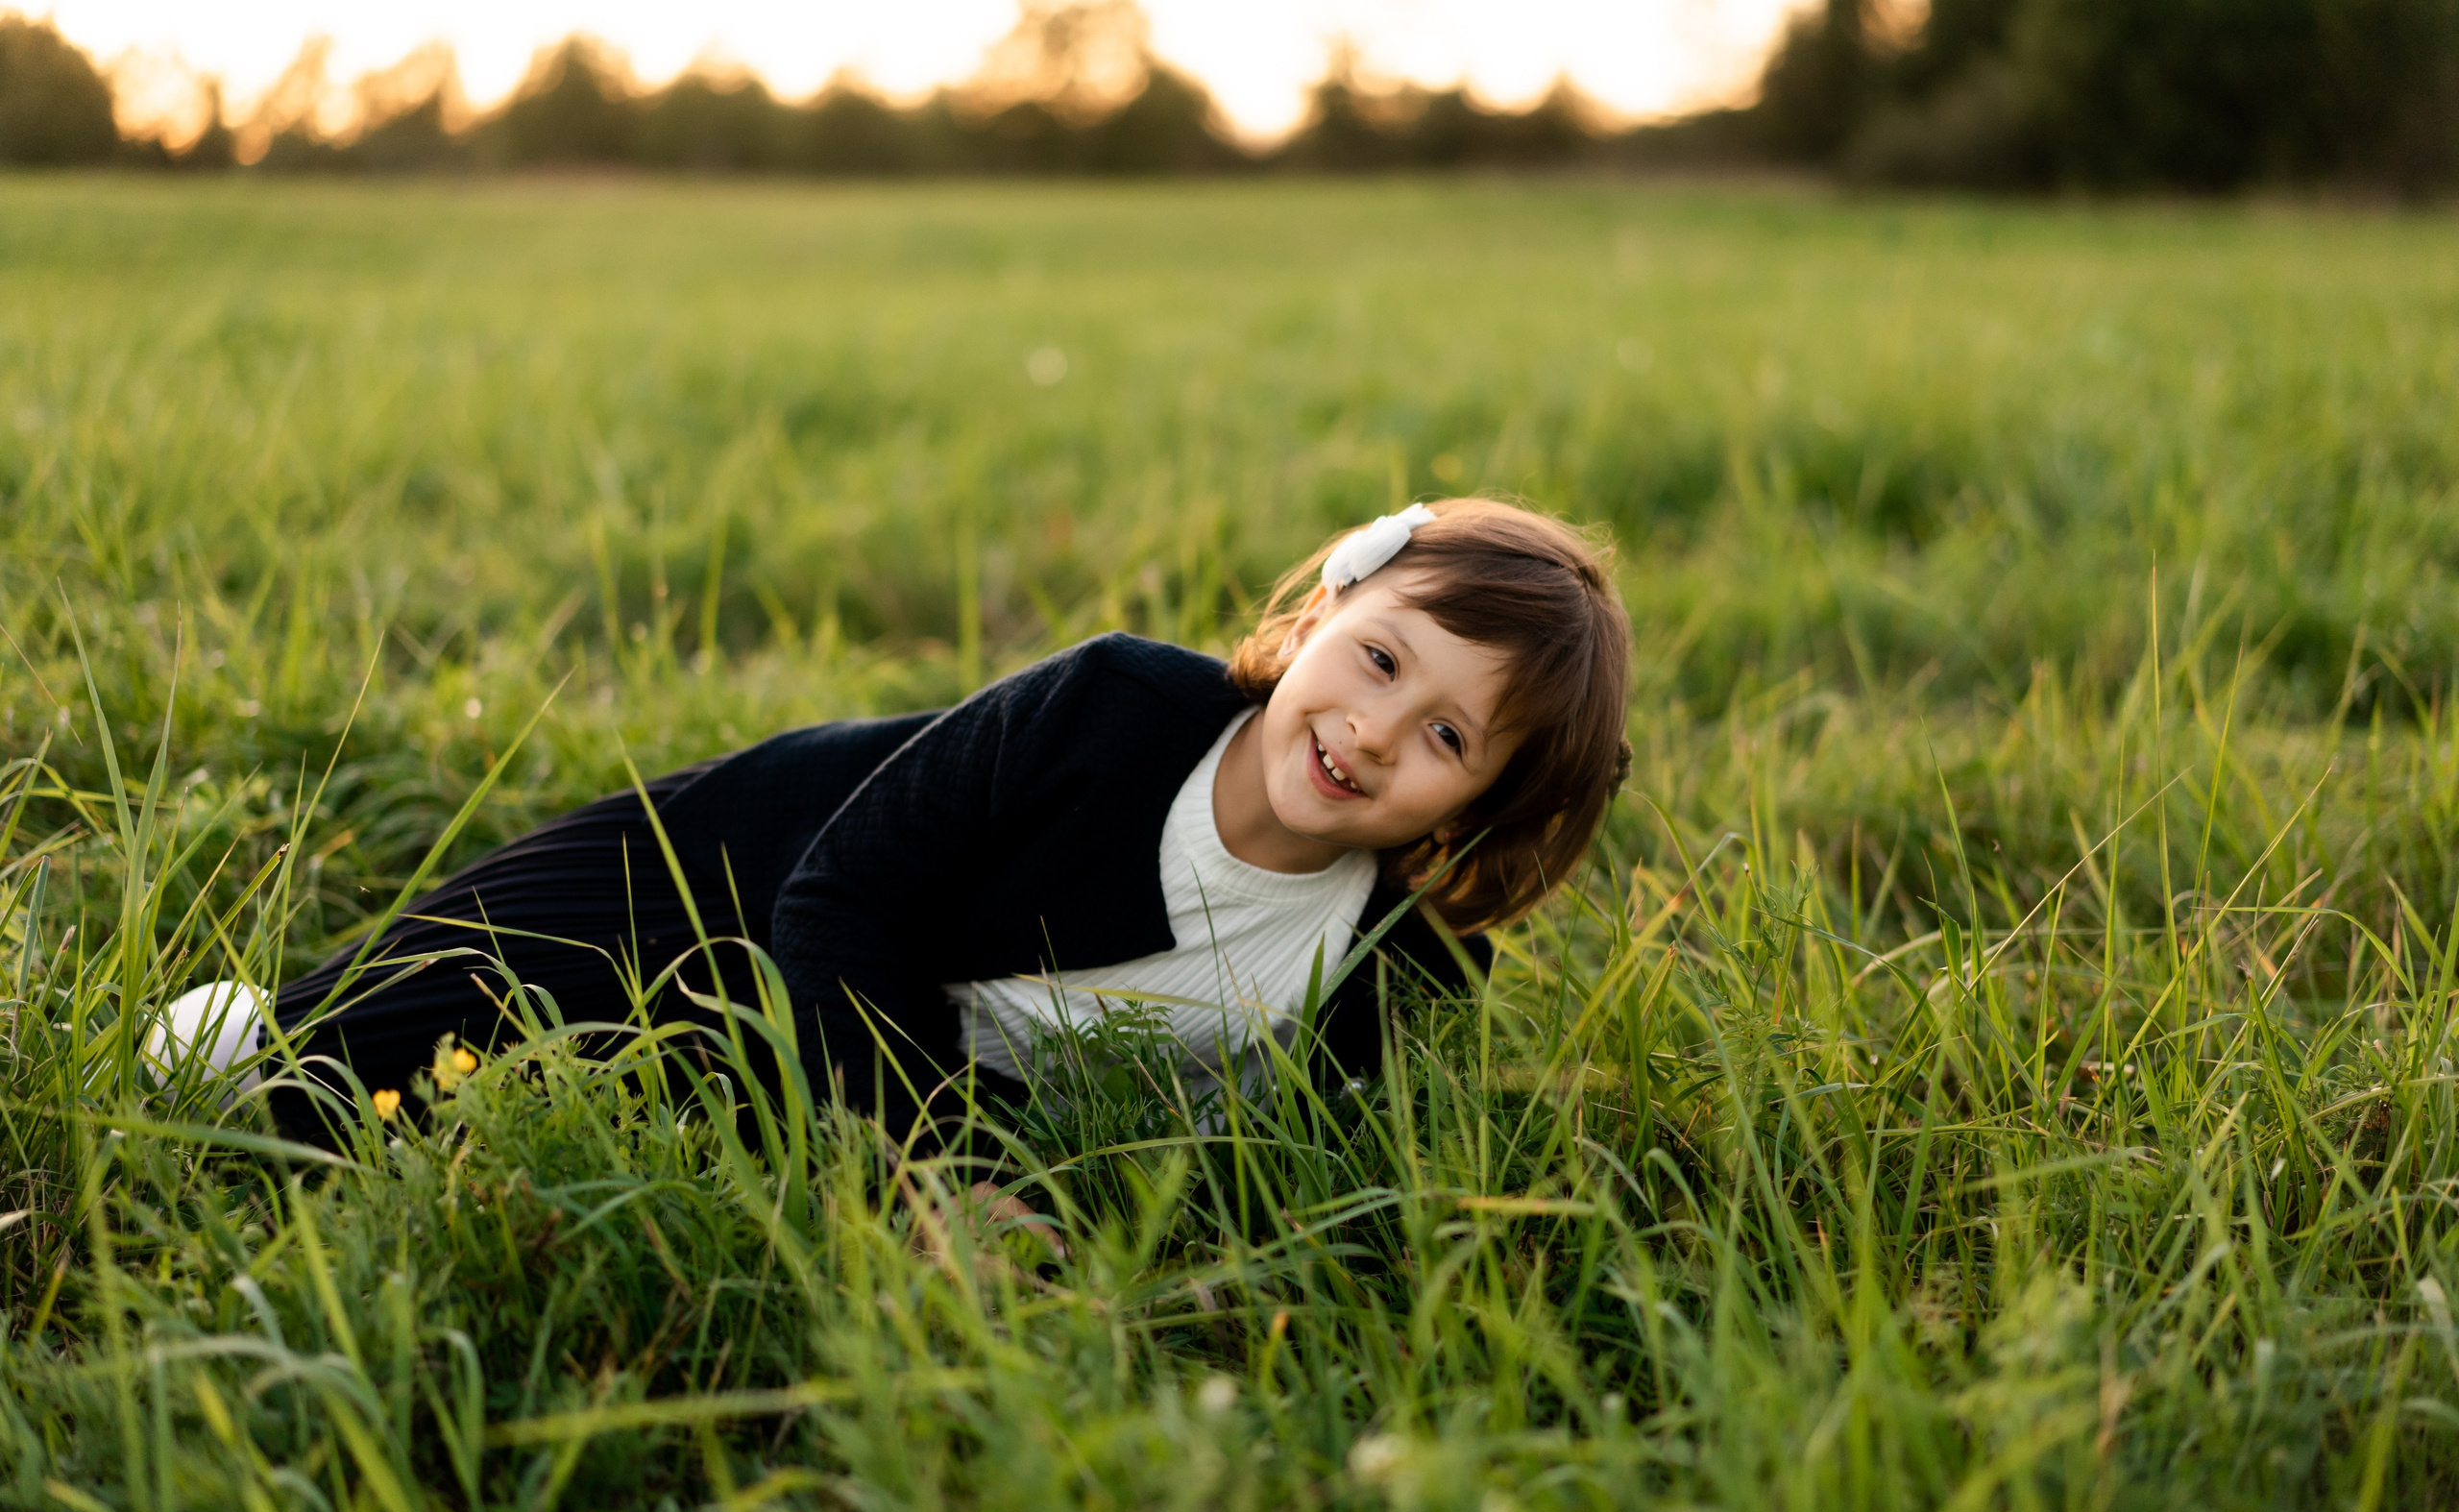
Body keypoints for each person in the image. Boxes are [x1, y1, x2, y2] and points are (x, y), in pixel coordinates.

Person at [161, 498, 1634, 1157]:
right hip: (730, 879)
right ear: (1320, 617)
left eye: (1448, 736)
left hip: (858, 1058)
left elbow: (1307, 1181)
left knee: (682, 1115)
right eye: (1378, 661)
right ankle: (237, 1049)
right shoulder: (1118, 709)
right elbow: (837, 906)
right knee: (328, 1077)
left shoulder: (1393, 965)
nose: (1375, 731)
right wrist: (937, 1184)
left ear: (1481, 800)